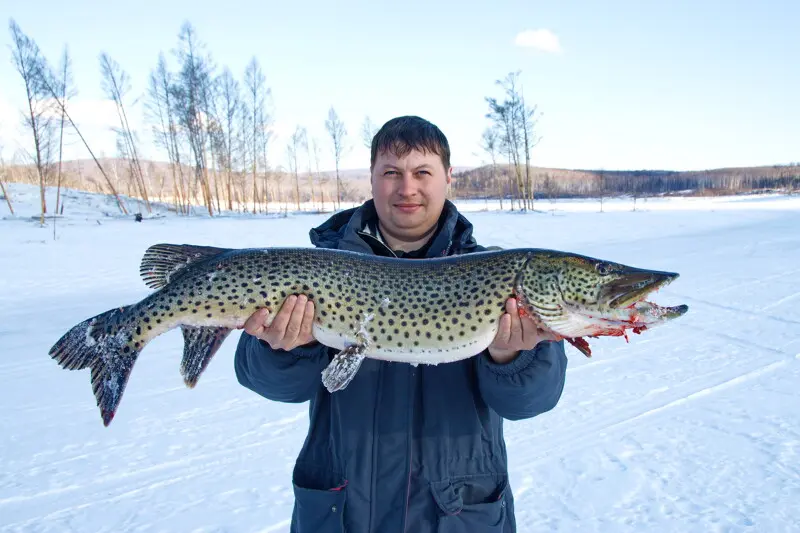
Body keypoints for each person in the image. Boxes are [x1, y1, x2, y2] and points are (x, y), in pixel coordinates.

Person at [234, 115, 568, 533]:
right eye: (391, 172)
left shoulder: (501, 275)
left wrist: (509, 355)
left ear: (448, 177)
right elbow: (273, 385)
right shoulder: (317, 270)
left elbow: (530, 402)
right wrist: (286, 347)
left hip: (458, 514)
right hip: (342, 514)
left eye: (422, 172)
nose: (406, 188)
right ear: (372, 179)